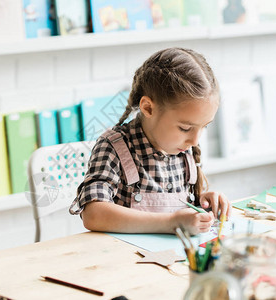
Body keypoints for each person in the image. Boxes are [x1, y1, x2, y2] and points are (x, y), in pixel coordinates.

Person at [69, 47, 231, 235]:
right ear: (148, 108)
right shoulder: (113, 147)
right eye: (185, 128)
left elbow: (179, 205)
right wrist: (172, 222)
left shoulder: (184, 148)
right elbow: (93, 214)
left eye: (204, 127)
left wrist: (203, 202)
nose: (195, 140)